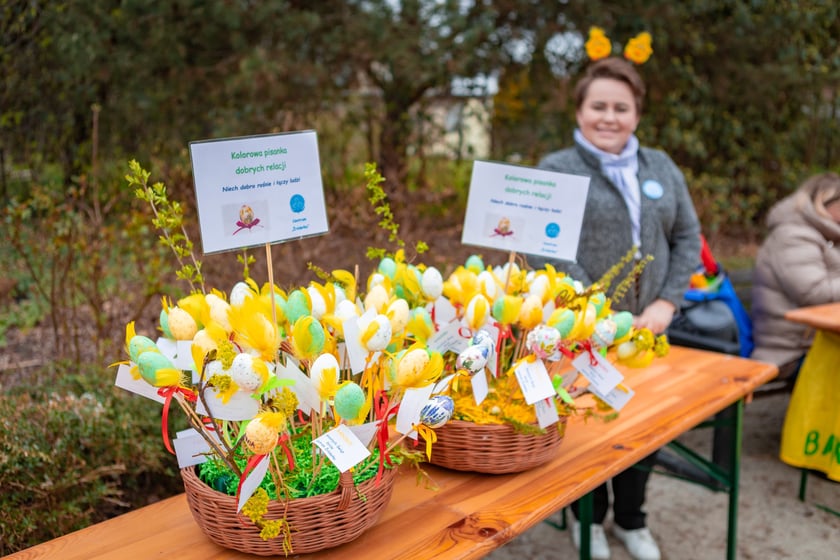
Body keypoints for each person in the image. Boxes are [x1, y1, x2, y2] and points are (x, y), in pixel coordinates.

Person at [534, 55, 701, 560]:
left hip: (651, 328)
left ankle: (632, 519)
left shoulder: (660, 167)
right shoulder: (555, 169)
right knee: (586, 429)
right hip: (581, 330)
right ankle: (589, 520)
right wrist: (593, 313)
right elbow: (548, 250)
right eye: (598, 106)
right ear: (580, 110)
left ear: (637, 114)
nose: (609, 117)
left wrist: (668, 301)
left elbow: (687, 236)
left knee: (643, 427)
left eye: (621, 108)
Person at [750, 172, 840, 377]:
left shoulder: (829, 235)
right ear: (823, 201)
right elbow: (815, 293)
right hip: (790, 349)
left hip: (819, 340)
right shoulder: (792, 235)